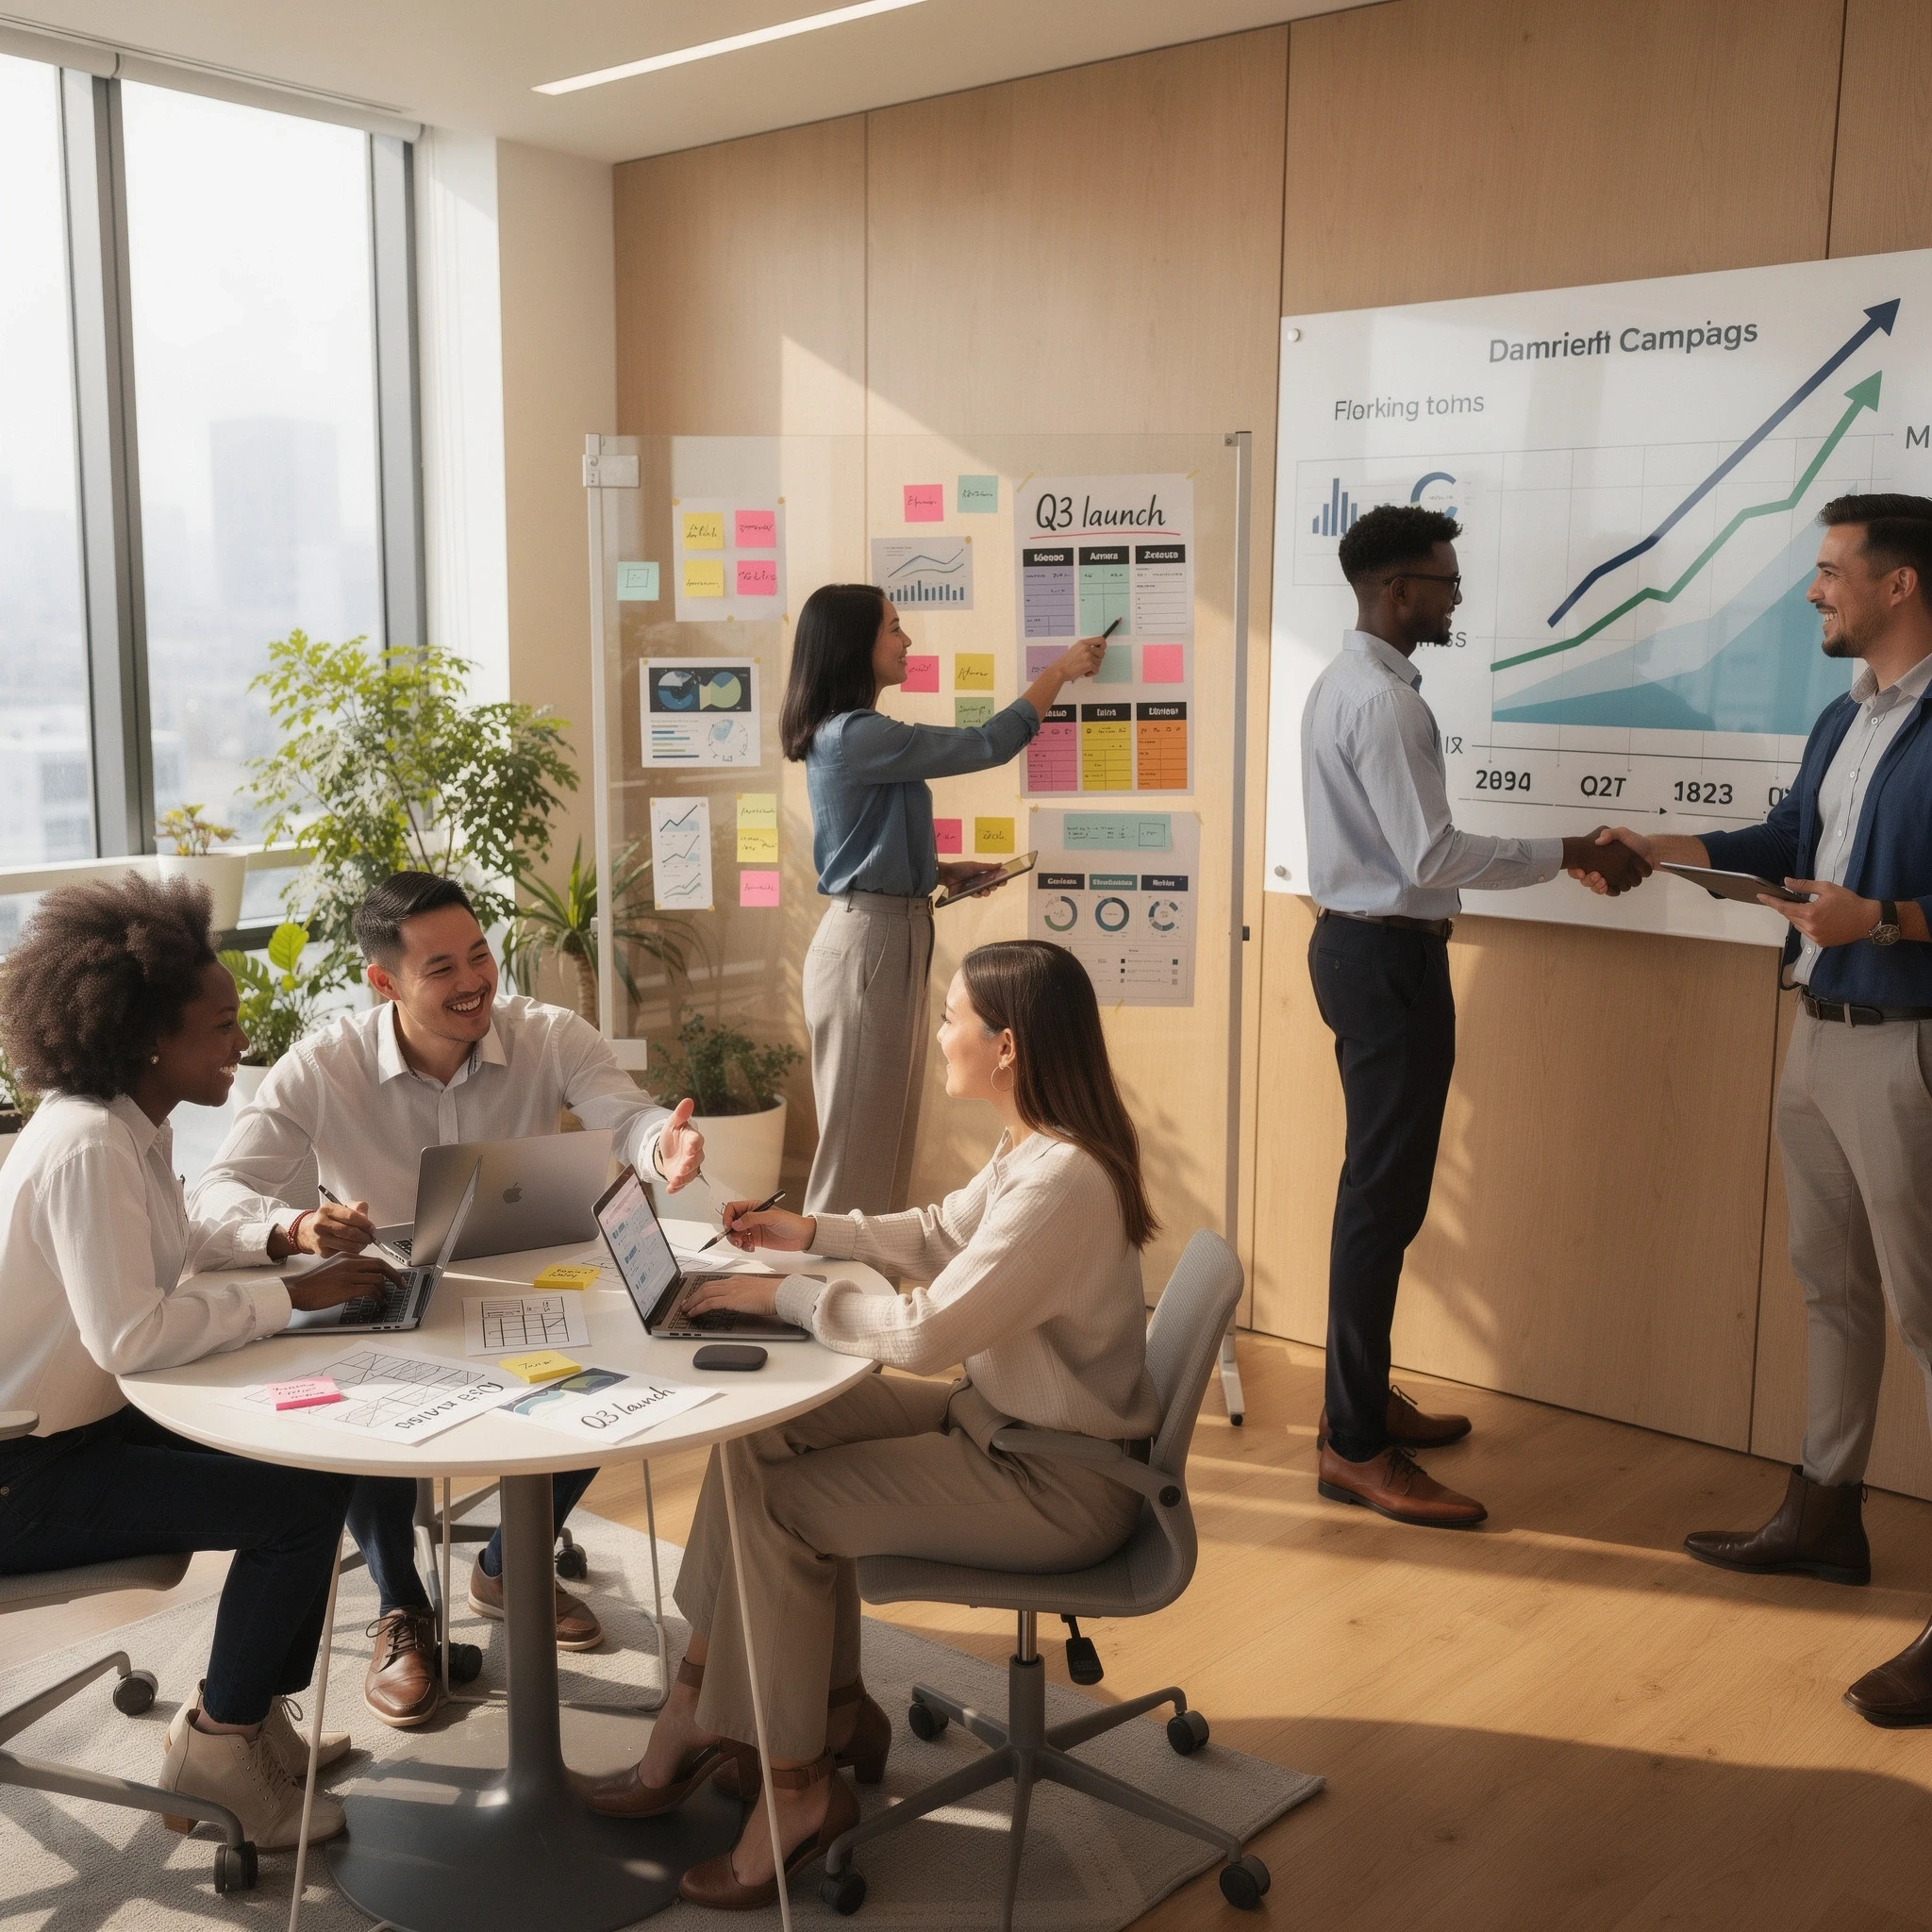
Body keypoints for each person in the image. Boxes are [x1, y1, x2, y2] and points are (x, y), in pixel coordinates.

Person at [584, 940, 1159, 1908]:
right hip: (1002, 1425)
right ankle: (804, 1707)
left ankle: (796, 1786)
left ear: (1006, 1044)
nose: (937, 1033)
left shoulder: (1060, 1178)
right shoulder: (1033, 1142)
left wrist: (777, 1298)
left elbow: (926, 1329)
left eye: (950, 1018)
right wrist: (813, 1235)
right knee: (759, 1425)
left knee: (784, 1504)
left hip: (1060, 1481)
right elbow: (938, 1234)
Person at [189, 871, 707, 1726]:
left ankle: (508, 1565)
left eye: (480, 955)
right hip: (385, 1290)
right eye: (442, 969)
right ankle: (403, 1607)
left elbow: (627, 1116)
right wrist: (292, 1228)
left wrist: (664, 1146)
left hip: (528, 1275)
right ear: (384, 983)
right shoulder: (323, 1065)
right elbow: (215, 1197)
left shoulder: (548, 1034)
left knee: (618, 1373)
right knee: (358, 1392)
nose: (474, 983)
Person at [1594, 493, 1932, 1723]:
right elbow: (1788, 844)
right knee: (1830, 1288)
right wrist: (1661, 851)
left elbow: (1866, 901)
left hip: (1910, 1050)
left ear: (1899, 585)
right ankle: (1826, 1516)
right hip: (1818, 1036)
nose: (1812, 591)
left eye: (1833, 571)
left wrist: (1885, 921)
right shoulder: (1847, 716)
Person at [0, 875, 405, 1850]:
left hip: (75, 1428)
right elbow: (131, 1335)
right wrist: (293, 1293)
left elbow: (173, 1244)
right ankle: (219, 1749)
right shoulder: (91, 1143)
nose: (239, 1041)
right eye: (219, 1025)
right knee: (291, 1506)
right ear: (147, 1036)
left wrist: (286, 1235)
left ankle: (253, 1715)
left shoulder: (124, 1123)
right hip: (23, 1474)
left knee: (315, 1453)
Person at [1302, 503, 1649, 1530]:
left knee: (1381, 1196)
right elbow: (1431, 857)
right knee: (1380, 1201)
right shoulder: (1385, 703)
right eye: (1444, 582)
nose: (1455, 597)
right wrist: (1567, 850)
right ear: (1397, 590)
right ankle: (1351, 1445)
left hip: (1361, 949)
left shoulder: (1345, 683)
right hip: (1385, 959)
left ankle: (1356, 1408)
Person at [779, 582, 1109, 1220]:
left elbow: (866, 838)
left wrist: (939, 869)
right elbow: (987, 743)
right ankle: (815, 1307)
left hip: (894, 933)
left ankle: (860, 1294)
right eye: (894, 629)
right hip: (867, 943)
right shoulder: (856, 734)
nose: (907, 641)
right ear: (855, 646)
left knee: (887, 1144)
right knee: (855, 1157)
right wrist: (1060, 672)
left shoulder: (853, 735)